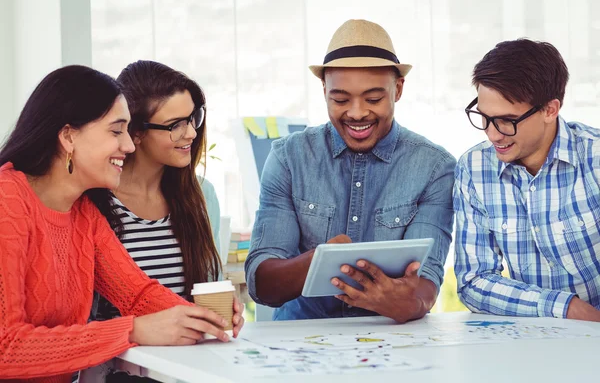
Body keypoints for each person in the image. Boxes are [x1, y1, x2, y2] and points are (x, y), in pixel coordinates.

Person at [0, 65, 233, 383]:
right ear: (69, 136)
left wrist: (204, 319)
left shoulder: (83, 212)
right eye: (116, 131)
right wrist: (132, 329)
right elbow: (5, 348)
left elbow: (137, 294)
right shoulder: (7, 201)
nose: (130, 145)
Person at [245, 19, 456, 322]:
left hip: (394, 342)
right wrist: (321, 259)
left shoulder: (434, 168)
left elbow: (427, 285)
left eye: (373, 99)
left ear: (397, 89)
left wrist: (408, 302)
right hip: (300, 340)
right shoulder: (288, 158)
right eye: (340, 99)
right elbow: (262, 286)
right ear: (324, 90)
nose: (356, 113)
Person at [87, 61, 244, 381]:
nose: (191, 132)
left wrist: (222, 310)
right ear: (137, 133)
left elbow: (207, 284)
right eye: (175, 124)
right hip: (114, 370)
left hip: (188, 369)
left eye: (193, 118)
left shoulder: (201, 195)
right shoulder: (95, 202)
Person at [454, 38, 600, 321]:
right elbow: (473, 281)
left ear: (550, 110)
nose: (493, 134)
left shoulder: (595, 158)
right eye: (484, 117)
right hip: (528, 343)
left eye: (507, 120)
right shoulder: (474, 168)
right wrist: (565, 307)